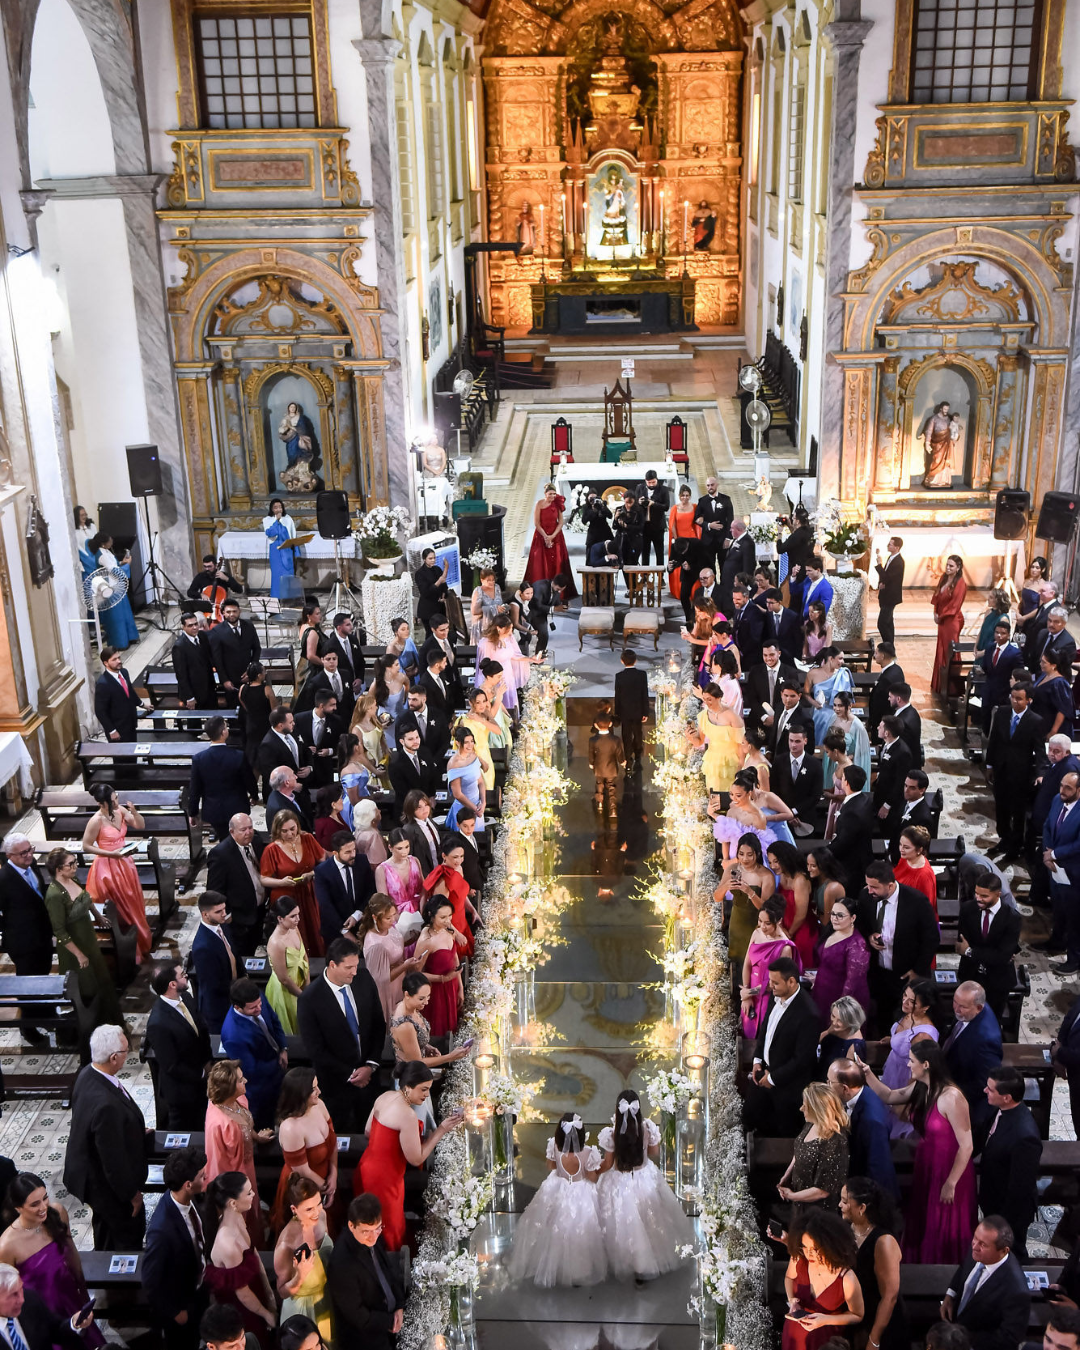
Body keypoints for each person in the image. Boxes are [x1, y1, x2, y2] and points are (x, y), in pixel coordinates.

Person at [855, 1040, 976, 1264]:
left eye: (912, 1061)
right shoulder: (922, 1087)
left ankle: (941, 1267)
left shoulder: (952, 1097)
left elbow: (967, 1144)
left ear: (926, 1064)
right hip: (928, 1161)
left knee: (942, 1220)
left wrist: (951, 1183)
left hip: (949, 1169)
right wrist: (868, 1074)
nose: (908, 1065)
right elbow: (890, 1096)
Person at [357, 1061, 463, 1248]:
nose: (427, 1094)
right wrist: (441, 1130)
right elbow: (416, 1158)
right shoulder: (407, 1115)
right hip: (385, 1180)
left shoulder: (385, 1096)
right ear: (407, 1087)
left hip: (365, 1168)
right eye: (423, 1089)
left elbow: (367, 1131)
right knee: (389, 1229)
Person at [62, 1025, 150, 1250]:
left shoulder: (88, 1073)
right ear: (113, 1058)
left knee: (106, 1227)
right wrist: (131, 1194)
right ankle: (123, 1281)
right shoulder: (106, 1106)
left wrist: (133, 1130)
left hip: (90, 1170)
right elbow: (113, 1161)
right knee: (125, 1230)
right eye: (125, 1050)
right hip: (103, 1184)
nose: (128, 1052)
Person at [594, 1088, 693, 1279]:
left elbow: (607, 1163)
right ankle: (644, 1266)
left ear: (618, 1109)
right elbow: (654, 1152)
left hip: (618, 1181)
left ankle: (620, 1263)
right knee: (650, 1220)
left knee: (618, 1223)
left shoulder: (612, 1133)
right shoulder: (647, 1127)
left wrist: (593, 1172)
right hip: (643, 1177)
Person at [0, 1174, 105, 1350]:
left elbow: (71, 1252)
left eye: (45, 1198)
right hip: (42, 1312)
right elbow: (6, 1289)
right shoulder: (6, 1246)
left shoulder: (57, 1213)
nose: (43, 1207)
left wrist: (83, 1289)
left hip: (69, 1298)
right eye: (34, 1204)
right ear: (18, 1208)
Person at [296, 937, 386, 1131]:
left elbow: (378, 1024)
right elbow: (315, 1050)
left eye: (356, 965)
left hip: (370, 1078)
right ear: (332, 965)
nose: (354, 971)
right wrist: (351, 1074)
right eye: (348, 967)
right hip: (335, 1085)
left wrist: (370, 1066)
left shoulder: (364, 979)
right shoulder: (310, 999)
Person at [507, 1111, 607, 1287]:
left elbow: (550, 1165)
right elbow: (591, 1177)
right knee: (580, 1228)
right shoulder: (588, 1152)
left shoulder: (554, 1146)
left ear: (559, 1134)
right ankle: (578, 1270)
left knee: (551, 1225)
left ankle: (551, 1265)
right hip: (581, 1191)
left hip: (558, 1188)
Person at [42, 848, 123, 1029]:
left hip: (88, 939)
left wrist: (98, 916)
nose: (75, 866)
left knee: (100, 977)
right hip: (74, 947)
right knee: (87, 985)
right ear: (58, 869)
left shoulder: (73, 879)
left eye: (75, 862)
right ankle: (93, 1027)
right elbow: (59, 931)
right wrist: (79, 955)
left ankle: (110, 1021)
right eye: (71, 864)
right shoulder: (54, 895)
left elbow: (86, 899)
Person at [855, 860, 938, 1030]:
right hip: (879, 973)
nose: (869, 890)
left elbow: (931, 938)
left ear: (891, 886)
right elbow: (861, 925)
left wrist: (917, 971)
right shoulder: (866, 897)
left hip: (908, 974)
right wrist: (870, 937)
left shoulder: (917, 901)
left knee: (909, 1020)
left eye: (874, 887)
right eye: (868, 885)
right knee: (883, 1017)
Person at [142, 1146, 209, 1350]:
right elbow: (151, 1281)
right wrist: (174, 1312)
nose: (207, 1177)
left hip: (197, 1287)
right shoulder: (161, 1231)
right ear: (188, 1185)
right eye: (202, 1176)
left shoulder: (188, 1199)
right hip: (181, 1303)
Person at [746, 957, 821, 1136]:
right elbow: (766, 1029)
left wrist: (773, 1079)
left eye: (775, 983)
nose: (770, 986)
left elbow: (802, 1060)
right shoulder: (776, 995)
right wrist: (757, 1059)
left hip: (787, 1089)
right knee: (750, 1118)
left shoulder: (809, 1014)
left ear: (792, 982)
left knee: (779, 1134)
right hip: (763, 1074)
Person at [202, 1172, 277, 1348]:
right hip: (241, 1306)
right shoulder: (227, 1244)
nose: (254, 1195)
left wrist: (269, 1294)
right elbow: (242, 1293)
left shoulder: (238, 1217)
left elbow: (254, 1253)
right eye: (249, 1193)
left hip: (253, 1289)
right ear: (233, 1203)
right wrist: (266, 1314)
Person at [81, 782, 152, 962]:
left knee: (132, 902)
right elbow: (86, 846)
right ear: (101, 803)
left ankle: (139, 940)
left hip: (125, 863)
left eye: (116, 799)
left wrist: (134, 812)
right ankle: (124, 947)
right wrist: (110, 853)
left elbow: (140, 825)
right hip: (107, 868)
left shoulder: (119, 810)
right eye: (111, 801)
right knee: (119, 907)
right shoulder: (96, 820)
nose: (115, 803)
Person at [203, 1060, 270, 1247]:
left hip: (247, 1166)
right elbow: (218, 1164)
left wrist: (257, 1137)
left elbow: (246, 1124)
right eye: (241, 1080)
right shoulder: (219, 1124)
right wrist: (233, 1194)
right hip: (235, 1176)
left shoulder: (238, 1100)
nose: (246, 1081)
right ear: (228, 1088)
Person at [977, 1066, 1041, 1259]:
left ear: (1007, 1097)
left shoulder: (1025, 1137)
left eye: (990, 1089)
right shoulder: (1000, 1109)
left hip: (1009, 1211)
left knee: (1011, 1252)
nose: (985, 1091)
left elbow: (1019, 1189)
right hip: (993, 1195)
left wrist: (1002, 1222)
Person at [326, 1194, 405, 1350]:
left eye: (378, 1228)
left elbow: (387, 1273)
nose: (373, 1237)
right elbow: (357, 1315)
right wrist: (390, 1321)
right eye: (366, 1231)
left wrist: (399, 1306)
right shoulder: (342, 1263)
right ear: (351, 1226)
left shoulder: (372, 1235)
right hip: (364, 1339)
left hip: (389, 1323)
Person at [940, 1217, 1032, 1350]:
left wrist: (962, 1338)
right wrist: (951, 1294)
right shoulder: (978, 1247)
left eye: (983, 1244)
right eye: (975, 1238)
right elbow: (964, 1268)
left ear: (1003, 1251)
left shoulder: (1017, 1291)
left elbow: (1009, 1338)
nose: (974, 1246)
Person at [839, 1177, 908, 1350]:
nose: (840, 1205)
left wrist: (874, 1340)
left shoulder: (884, 1241)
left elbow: (889, 1297)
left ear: (862, 1208)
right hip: (855, 1319)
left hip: (879, 1326)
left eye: (845, 1201)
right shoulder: (846, 1231)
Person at [781, 1211, 864, 1350]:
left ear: (829, 1245)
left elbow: (857, 1315)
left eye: (815, 1249)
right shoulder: (799, 1258)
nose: (809, 1254)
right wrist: (792, 1300)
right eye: (805, 1247)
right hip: (793, 1336)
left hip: (825, 1342)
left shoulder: (846, 1277)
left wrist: (825, 1320)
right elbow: (789, 1278)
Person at [145, 962, 213, 1131]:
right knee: (187, 1131)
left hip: (200, 1079)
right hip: (182, 1092)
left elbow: (201, 1031)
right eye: (182, 974)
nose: (186, 975)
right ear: (172, 984)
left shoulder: (186, 998)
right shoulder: (158, 1023)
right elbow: (171, 1065)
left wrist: (208, 1061)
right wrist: (202, 1073)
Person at [0, 835, 54, 1043]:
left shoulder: (33, 866)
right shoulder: (4, 879)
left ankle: (46, 1014)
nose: (29, 855)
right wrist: (10, 927)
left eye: (30, 849)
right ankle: (28, 1028)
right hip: (22, 942)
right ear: (9, 856)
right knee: (27, 986)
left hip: (42, 935)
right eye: (23, 853)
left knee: (43, 976)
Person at [271, 1069, 337, 1233]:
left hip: (326, 1179)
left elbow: (333, 1141)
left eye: (317, 1086)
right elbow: (303, 1170)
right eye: (314, 1089)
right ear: (300, 1094)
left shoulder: (319, 1105)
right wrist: (325, 1188)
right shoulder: (290, 1128)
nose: (319, 1092)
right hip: (303, 1188)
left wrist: (334, 1176)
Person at [219, 978, 288, 1131]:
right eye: (252, 1008)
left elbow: (274, 1020)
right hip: (261, 1088)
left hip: (275, 1068)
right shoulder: (233, 1035)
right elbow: (251, 1071)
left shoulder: (256, 998)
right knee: (265, 1122)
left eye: (259, 1004)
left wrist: (283, 1047)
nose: (258, 1009)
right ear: (237, 1007)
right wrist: (277, 1065)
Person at [776, 1083, 850, 1220]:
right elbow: (800, 1149)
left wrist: (792, 1196)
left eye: (805, 1105)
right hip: (800, 1201)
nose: (801, 1108)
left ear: (817, 1110)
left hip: (819, 1211)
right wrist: (786, 1176)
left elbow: (823, 1191)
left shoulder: (835, 1142)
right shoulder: (810, 1123)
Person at [273, 1175, 333, 1340]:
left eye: (318, 1203)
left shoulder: (322, 1216)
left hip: (327, 1300)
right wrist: (300, 1276)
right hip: (303, 1311)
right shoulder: (286, 1244)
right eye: (308, 1209)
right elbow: (282, 1292)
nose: (316, 1212)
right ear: (294, 1209)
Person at [260, 809, 326, 957]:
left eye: (292, 829)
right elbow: (263, 878)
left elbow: (324, 862)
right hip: (286, 896)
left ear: (297, 825)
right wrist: (281, 882)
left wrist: (312, 874)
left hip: (308, 893)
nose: (290, 834)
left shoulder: (308, 839)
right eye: (284, 831)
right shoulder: (271, 850)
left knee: (312, 929)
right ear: (277, 830)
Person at [829, 1062, 899, 1199]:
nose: (827, 1085)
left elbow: (877, 1167)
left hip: (873, 1195)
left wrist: (867, 1204)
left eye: (830, 1082)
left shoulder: (872, 1121)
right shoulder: (861, 1092)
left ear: (845, 1088)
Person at [956, 872, 1020, 1020]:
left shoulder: (1012, 918)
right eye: (977, 893)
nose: (978, 898)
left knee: (991, 1020)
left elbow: (1003, 957)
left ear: (998, 894)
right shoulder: (967, 909)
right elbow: (961, 945)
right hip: (970, 974)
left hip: (997, 980)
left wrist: (971, 951)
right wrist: (992, 953)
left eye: (984, 896)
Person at [941, 983, 1003, 1132]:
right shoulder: (970, 1012)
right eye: (955, 1001)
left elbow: (983, 1083)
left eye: (962, 1006)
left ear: (979, 1008)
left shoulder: (985, 1040)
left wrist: (946, 1091)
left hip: (965, 1102)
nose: (956, 1009)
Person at [207, 813, 268, 961]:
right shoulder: (220, 854)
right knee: (242, 953)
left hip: (259, 910)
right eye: (243, 830)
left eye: (250, 828)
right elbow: (214, 891)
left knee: (254, 944)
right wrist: (227, 915)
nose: (248, 832)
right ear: (232, 832)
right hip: (239, 918)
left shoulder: (257, 840)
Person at [189, 717, 256, 842]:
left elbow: (195, 789)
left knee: (224, 840)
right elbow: (249, 780)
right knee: (240, 840)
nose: (227, 728)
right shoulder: (238, 756)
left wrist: (192, 812)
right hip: (237, 807)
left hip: (214, 810)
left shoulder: (199, 759)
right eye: (226, 726)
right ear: (223, 732)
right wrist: (254, 796)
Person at [740, 897, 800, 1038]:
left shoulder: (785, 948)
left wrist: (750, 992)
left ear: (778, 921)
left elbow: (779, 983)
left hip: (770, 997)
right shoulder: (756, 933)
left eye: (767, 923)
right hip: (751, 992)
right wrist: (745, 993)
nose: (762, 926)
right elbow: (747, 963)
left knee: (764, 1033)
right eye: (760, 921)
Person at [359, 895, 421, 1024]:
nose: (393, 920)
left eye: (394, 915)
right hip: (388, 990)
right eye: (388, 918)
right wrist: (405, 965)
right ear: (375, 918)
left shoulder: (387, 928)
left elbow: (393, 949)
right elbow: (382, 978)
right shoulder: (375, 944)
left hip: (399, 981)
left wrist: (410, 940)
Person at [0, 1263, 93, 1350]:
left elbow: (56, 1330)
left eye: (21, 1289)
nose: (21, 1299)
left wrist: (74, 1324)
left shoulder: (30, 1300)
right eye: (14, 1294)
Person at [717, 831, 776, 964]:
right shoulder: (732, 869)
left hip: (757, 925)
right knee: (736, 961)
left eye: (750, 855)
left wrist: (750, 892)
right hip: (736, 922)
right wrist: (726, 885)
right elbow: (717, 897)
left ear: (757, 854)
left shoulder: (766, 875)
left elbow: (765, 909)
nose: (745, 859)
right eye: (741, 854)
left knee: (754, 962)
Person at [313, 830, 377, 951]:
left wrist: (357, 914)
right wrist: (344, 931)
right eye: (348, 852)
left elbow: (370, 890)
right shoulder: (322, 872)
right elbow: (326, 905)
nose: (353, 854)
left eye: (354, 850)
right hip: (335, 931)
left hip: (362, 926)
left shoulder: (362, 861)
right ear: (335, 853)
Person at [812, 900, 871, 1029]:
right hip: (821, 991)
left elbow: (852, 983)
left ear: (853, 918)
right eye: (832, 914)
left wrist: (839, 1010)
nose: (834, 918)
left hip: (841, 998)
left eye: (840, 915)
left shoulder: (857, 944)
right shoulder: (831, 931)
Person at [422, 840, 479, 961]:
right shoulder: (442, 880)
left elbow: (460, 894)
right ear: (444, 856)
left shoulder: (458, 868)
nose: (459, 860)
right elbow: (440, 915)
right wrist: (456, 934)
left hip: (461, 919)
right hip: (451, 925)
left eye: (461, 856)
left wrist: (473, 910)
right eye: (455, 857)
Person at [767, 841, 818, 971]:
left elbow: (801, 914)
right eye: (770, 862)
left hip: (802, 930)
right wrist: (781, 927)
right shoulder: (783, 875)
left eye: (776, 861)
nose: (773, 866)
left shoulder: (800, 879)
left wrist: (788, 934)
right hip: (785, 927)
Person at [192, 891, 237, 1035]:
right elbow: (213, 985)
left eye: (224, 909)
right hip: (220, 1006)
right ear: (205, 914)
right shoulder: (202, 947)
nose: (224, 914)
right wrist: (238, 994)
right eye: (218, 911)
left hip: (233, 991)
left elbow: (233, 953)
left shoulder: (221, 925)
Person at [264, 897, 309, 1036]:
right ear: (280, 918)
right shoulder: (276, 943)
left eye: (298, 914)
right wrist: (303, 996)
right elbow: (284, 979)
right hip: (286, 992)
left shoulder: (294, 929)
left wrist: (308, 985)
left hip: (301, 983)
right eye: (293, 916)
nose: (298, 919)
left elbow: (304, 956)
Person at [689, 682, 744, 794]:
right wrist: (690, 737)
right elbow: (699, 741)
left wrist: (740, 769)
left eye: (710, 699)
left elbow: (741, 745)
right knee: (713, 797)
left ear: (718, 698)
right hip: (713, 763)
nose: (707, 703)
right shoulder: (703, 716)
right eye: (704, 699)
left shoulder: (732, 716)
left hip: (731, 763)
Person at [88, 533, 139, 648]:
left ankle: (130, 637)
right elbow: (113, 570)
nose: (112, 542)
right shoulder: (101, 554)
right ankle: (119, 642)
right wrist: (127, 565)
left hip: (116, 585)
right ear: (103, 543)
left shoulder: (106, 551)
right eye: (110, 541)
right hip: (110, 587)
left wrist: (122, 563)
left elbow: (114, 564)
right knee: (117, 616)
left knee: (125, 612)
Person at [525, 484, 576, 596]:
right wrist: (545, 537)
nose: (552, 496)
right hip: (541, 535)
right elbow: (536, 523)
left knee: (557, 561)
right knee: (540, 562)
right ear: (545, 494)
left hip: (556, 536)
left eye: (554, 494)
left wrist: (552, 536)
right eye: (550, 494)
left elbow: (561, 522)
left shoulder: (557, 503)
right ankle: (540, 591)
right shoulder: (539, 504)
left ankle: (559, 592)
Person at [772, 727, 825, 836]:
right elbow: (774, 790)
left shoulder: (815, 765)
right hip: (782, 818)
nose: (793, 745)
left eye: (797, 741)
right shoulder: (779, 761)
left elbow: (815, 795)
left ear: (805, 741)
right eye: (791, 741)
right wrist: (785, 812)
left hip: (806, 818)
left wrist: (794, 812)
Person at [209, 601, 262, 707]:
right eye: (228, 612)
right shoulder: (217, 631)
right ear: (223, 613)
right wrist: (224, 680)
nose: (232, 614)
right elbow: (217, 659)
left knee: (253, 706)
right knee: (235, 709)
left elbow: (257, 648)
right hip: (231, 678)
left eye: (234, 611)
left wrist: (251, 669)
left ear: (239, 611)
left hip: (249, 675)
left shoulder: (249, 625)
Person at [829, 767, 876, 884]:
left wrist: (823, 852)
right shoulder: (865, 799)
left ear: (847, 783)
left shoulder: (852, 813)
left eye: (843, 778)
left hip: (852, 866)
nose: (841, 780)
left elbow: (843, 844)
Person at [94, 645, 148, 741]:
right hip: (118, 728)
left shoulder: (124, 672)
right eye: (114, 659)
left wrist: (142, 704)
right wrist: (112, 730)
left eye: (119, 658)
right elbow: (100, 711)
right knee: (122, 756)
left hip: (130, 723)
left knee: (133, 753)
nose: (119, 661)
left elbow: (130, 692)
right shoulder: (103, 684)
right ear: (106, 663)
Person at [931, 555, 968, 689]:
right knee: (941, 649)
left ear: (958, 568)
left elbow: (955, 605)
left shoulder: (961, 583)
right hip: (942, 620)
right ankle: (939, 684)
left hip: (952, 621)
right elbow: (937, 596)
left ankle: (952, 687)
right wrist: (935, 611)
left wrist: (941, 616)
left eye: (951, 566)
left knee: (950, 651)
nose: (947, 568)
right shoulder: (943, 578)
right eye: (947, 565)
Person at [173, 613, 219, 712]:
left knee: (213, 719)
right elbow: (181, 675)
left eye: (196, 624)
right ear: (183, 627)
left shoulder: (202, 636)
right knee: (194, 724)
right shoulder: (179, 646)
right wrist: (189, 697)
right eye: (190, 625)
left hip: (209, 689)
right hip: (193, 693)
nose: (194, 627)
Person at [613, 648, 649, 767]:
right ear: (636, 660)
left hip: (624, 711)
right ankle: (638, 755)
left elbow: (617, 696)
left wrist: (617, 712)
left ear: (622, 661)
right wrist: (646, 712)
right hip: (638, 711)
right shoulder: (642, 675)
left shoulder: (619, 676)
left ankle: (628, 757)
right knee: (638, 733)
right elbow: (645, 694)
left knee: (626, 734)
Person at [238, 664, 276, 772]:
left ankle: (254, 784)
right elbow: (274, 711)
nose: (266, 673)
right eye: (264, 672)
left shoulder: (242, 688)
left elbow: (244, 705)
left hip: (250, 724)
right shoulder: (267, 690)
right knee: (266, 755)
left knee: (253, 757)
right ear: (259, 675)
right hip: (265, 725)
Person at [894, 826, 938, 914]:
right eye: (900, 844)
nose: (901, 849)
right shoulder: (905, 858)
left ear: (919, 850)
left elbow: (925, 908)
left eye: (906, 847)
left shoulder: (924, 876)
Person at [694, 475, 734, 567]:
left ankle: (724, 582)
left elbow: (730, 520)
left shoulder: (726, 499)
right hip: (708, 539)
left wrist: (728, 538)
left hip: (722, 538)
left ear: (717, 485)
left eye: (712, 485)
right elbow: (696, 518)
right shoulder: (702, 501)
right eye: (708, 485)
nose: (710, 487)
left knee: (724, 565)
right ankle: (712, 582)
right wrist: (708, 525)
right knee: (709, 565)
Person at [1034, 650, 1075, 739]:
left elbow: (1063, 710)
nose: (1041, 664)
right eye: (1041, 661)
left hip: (1052, 726)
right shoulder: (1043, 675)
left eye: (1044, 662)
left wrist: (1053, 732)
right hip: (1041, 722)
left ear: (1054, 665)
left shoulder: (1059, 683)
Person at [868, 644, 905, 742]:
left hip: (883, 722)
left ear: (883, 656)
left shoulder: (887, 679)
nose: (874, 656)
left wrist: (873, 723)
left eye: (876, 653)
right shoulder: (897, 668)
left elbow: (881, 705)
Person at [588, 713, 624, 814]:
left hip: (598, 768)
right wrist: (622, 761)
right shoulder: (615, 739)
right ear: (610, 724)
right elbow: (619, 753)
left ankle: (600, 803)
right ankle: (613, 809)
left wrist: (591, 763)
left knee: (599, 784)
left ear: (595, 725)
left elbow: (591, 753)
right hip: (611, 768)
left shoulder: (593, 740)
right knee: (611, 786)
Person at [261, 498, 297, 598]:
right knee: (277, 575)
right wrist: (277, 521)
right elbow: (270, 533)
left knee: (288, 574)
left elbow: (293, 534)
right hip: (276, 550)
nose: (278, 510)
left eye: (280, 507)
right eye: (276, 507)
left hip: (287, 550)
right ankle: (277, 596)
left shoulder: (288, 519)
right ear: (272, 509)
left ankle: (289, 597)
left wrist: (296, 551)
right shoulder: (267, 520)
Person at [875, 537, 905, 646]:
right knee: (888, 623)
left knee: (882, 624)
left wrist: (879, 565)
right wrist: (882, 583)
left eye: (890, 544)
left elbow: (888, 577)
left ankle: (887, 646)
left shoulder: (898, 562)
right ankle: (889, 647)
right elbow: (887, 576)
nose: (888, 545)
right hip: (886, 595)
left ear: (897, 547)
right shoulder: (891, 558)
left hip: (890, 597)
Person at [415, 548, 450, 632]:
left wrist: (444, 595)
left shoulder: (437, 569)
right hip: (428, 609)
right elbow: (425, 592)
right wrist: (438, 582)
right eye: (430, 558)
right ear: (424, 559)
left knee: (442, 632)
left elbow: (444, 586)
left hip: (439, 608)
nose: (433, 560)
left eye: (434, 558)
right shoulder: (420, 573)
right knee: (431, 634)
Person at [352, 798, 389, 868]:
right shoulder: (373, 835)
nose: (379, 811)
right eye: (376, 810)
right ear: (370, 815)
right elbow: (377, 863)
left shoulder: (359, 829)